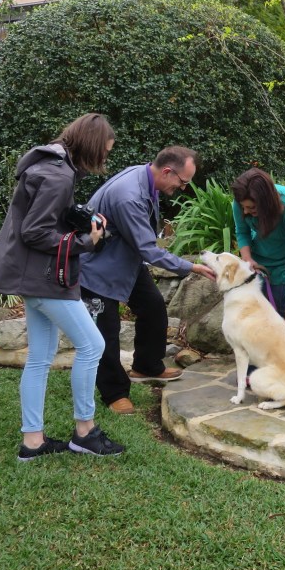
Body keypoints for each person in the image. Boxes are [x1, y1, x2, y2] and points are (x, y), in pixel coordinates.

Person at [0, 113, 126, 460]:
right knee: (93, 345)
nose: (104, 161)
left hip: (31, 276)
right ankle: (86, 432)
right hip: (44, 278)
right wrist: (85, 241)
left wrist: (78, 220)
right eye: (103, 152)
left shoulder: (49, 164)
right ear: (91, 146)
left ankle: (32, 443)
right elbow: (34, 231)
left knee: (40, 358)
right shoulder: (57, 174)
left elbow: (40, 221)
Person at [79, 146, 216, 415]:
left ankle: (147, 365)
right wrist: (192, 268)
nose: (182, 188)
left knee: (152, 307)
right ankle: (114, 392)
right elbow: (148, 250)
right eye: (182, 182)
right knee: (106, 332)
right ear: (167, 171)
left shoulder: (144, 177)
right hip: (98, 269)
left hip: (125, 261)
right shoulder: (128, 196)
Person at [231, 168, 285, 335]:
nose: (246, 212)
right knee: (257, 314)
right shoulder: (240, 202)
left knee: (281, 305)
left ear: (265, 203)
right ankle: (257, 358)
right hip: (262, 250)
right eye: (244, 208)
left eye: (251, 208)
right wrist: (247, 259)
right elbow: (242, 232)